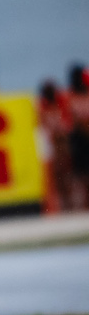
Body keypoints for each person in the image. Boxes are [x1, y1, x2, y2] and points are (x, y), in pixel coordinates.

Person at [36, 79, 73, 212]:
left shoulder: (61, 101)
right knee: (56, 175)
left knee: (66, 173)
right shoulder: (42, 106)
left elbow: (67, 123)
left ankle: (68, 202)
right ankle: (60, 204)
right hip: (52, 144)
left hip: (62, 141)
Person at [66, 63, 89, 210]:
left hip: (81, 137)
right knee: (81, 174)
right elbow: (74, 120)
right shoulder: (70, 96)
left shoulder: (73, 96)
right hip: (79, 138)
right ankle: (84, 204)